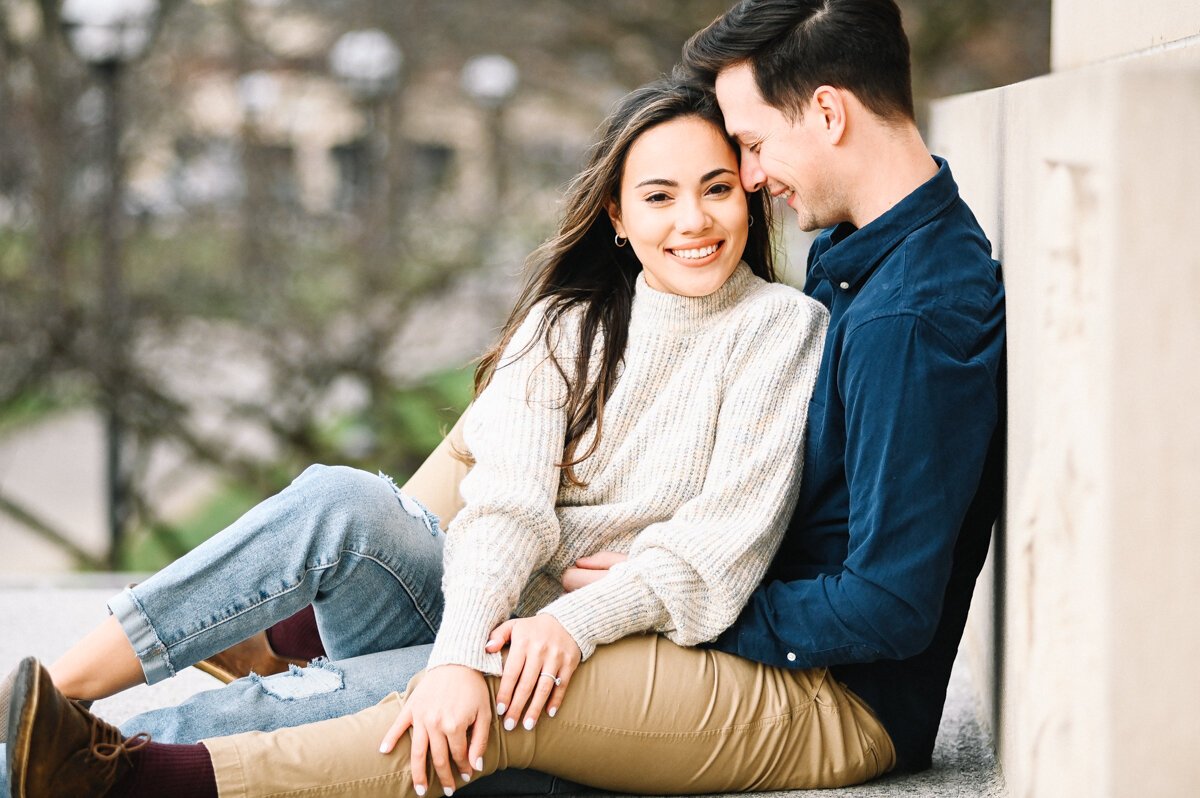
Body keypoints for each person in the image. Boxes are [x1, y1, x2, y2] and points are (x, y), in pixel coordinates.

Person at [11, 0, 1008, 793]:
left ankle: (124, 764)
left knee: (455, 681)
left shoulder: (872, 317)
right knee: (348, 507)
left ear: (826, 115)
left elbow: (860, 593)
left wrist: (625, 616)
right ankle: (62, 695)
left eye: (738, 163)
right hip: (575, 605)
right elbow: (511, 497)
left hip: (779, 675)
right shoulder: (845, 260)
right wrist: (478, 623)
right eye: (662, 193)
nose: (739, 187)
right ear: (615, 215)